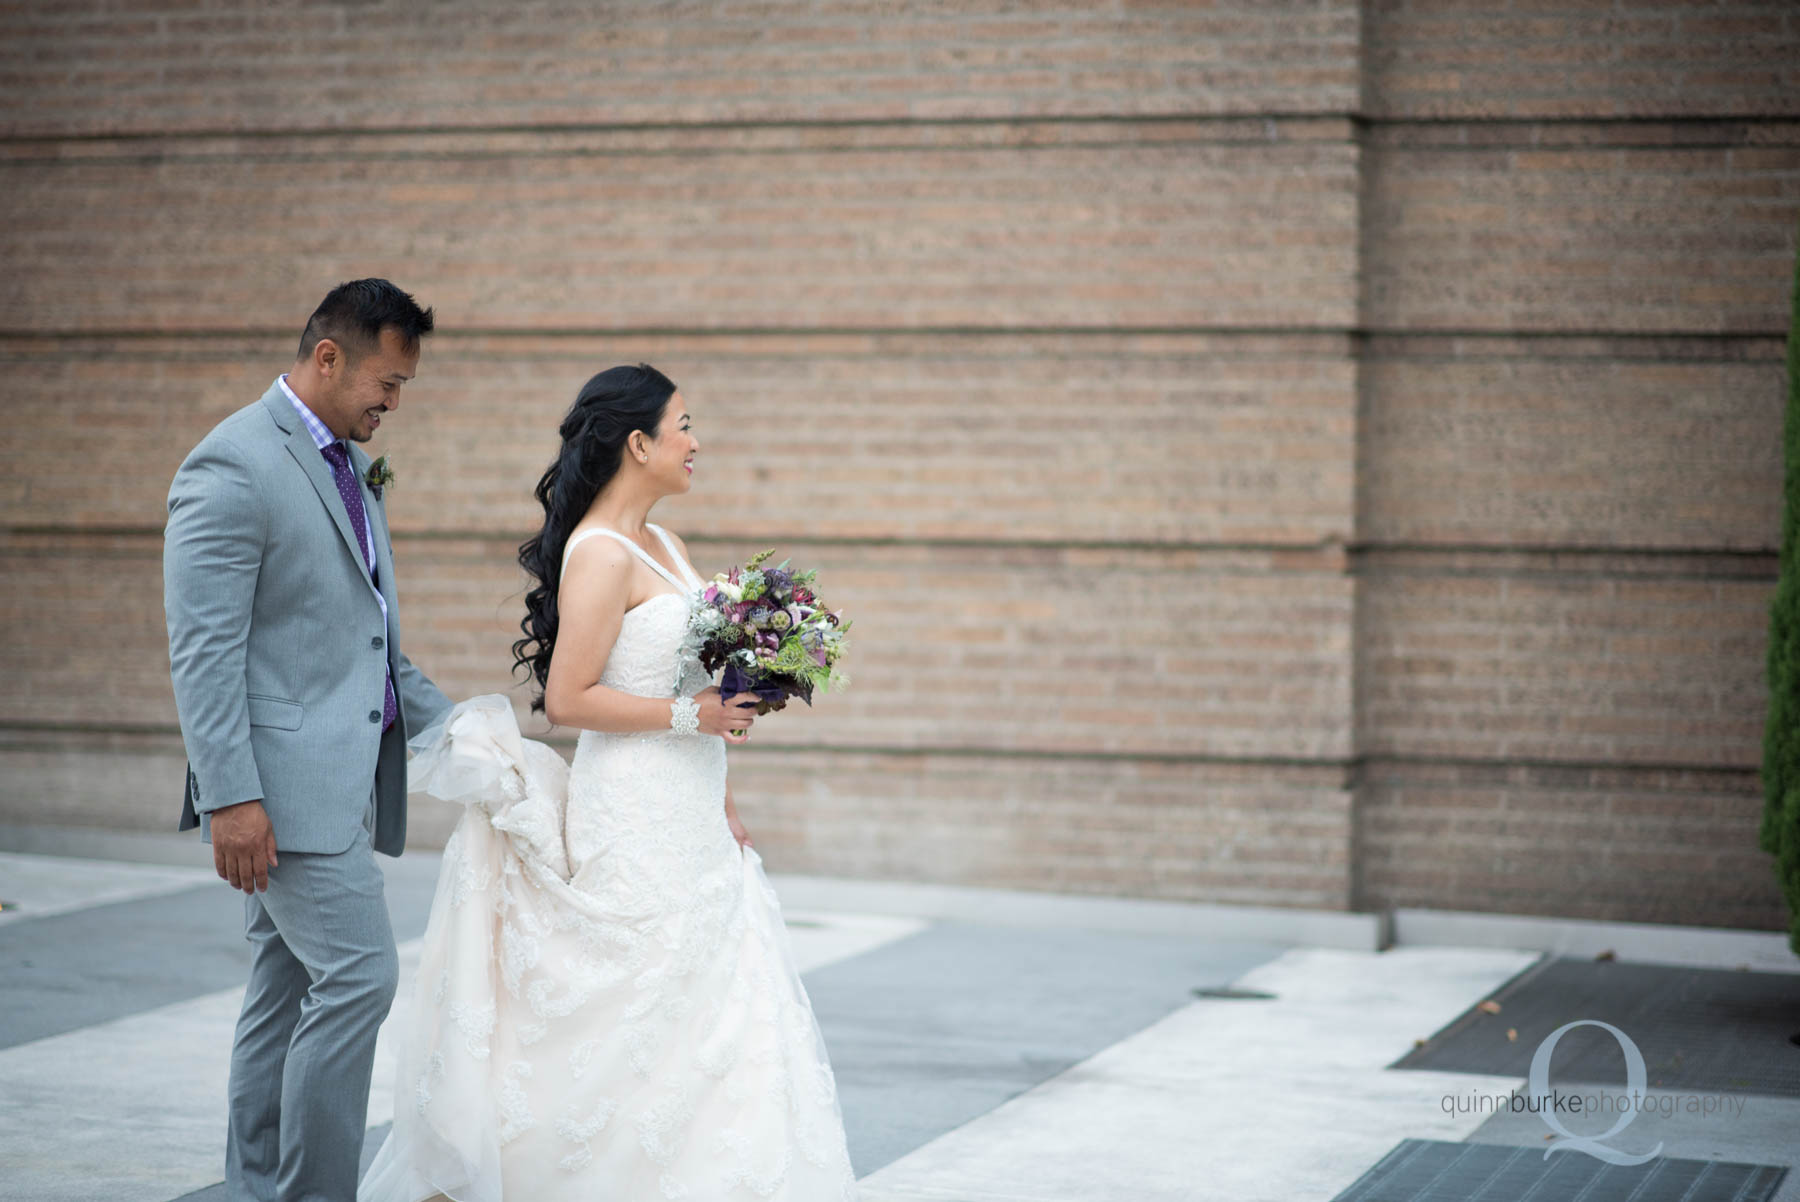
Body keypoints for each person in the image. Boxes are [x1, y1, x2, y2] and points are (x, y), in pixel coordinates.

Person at [358, 364, 859, 1201]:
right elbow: (568, 698)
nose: (697, 443)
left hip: (692, 810)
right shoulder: (598, 551)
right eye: (685, 426)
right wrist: (692, 718)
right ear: (638, 443)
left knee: (709, 1018)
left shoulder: (664, 543)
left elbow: (686, 681)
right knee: (632, 1012)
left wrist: (727, 771)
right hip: (629, 811)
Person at [163, 278, 454, 1202]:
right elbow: (204, 652)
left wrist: (463, 730)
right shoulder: (232, 465)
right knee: (363, 977)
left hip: (335, 787)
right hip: (276, 794)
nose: (394, 403)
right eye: (387, 382)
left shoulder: (345, 464)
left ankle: (259, 1192)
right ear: (327, 356)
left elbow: (369, 638)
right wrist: (231, 798)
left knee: (285, 995)